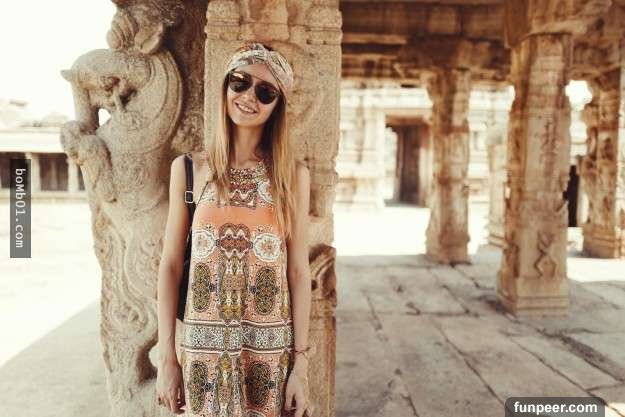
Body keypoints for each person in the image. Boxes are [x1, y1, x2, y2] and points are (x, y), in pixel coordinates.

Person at [155, 41, 314, 417]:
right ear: (226, 85)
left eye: (265, 91)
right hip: (202, 351)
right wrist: (167, 358)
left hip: (268, 350)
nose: (248, 97)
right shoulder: (189, 170)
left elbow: (298, 271)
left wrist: (302, 364)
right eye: (240, 82)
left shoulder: (292, 176)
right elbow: (171, 266)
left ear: (277, 106)